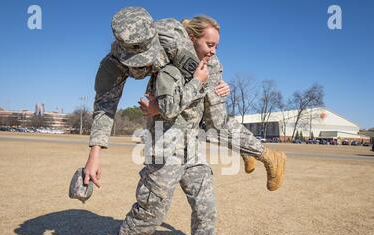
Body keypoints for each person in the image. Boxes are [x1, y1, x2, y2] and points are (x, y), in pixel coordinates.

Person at [84, 7, 286, 193]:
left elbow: (200, 81)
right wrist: (94, 156)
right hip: (170, 77)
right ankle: (243, 147)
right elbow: (104, 108)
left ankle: (268, 155)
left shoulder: (173, 40)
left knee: (216, 123)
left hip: (202, 69)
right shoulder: (111, 67)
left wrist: (163, 106)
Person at [103, 14, 229, 235]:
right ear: (192, 39)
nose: (213, 50)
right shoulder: (165, 66)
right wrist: (197, 82)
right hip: (164, 147)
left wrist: (219, 90)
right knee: (152, 213)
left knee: (206, 208)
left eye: (216, 45)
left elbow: (210, 115)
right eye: (209, 43)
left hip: (191, 148)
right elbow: (169, 107)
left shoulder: (206, 68)